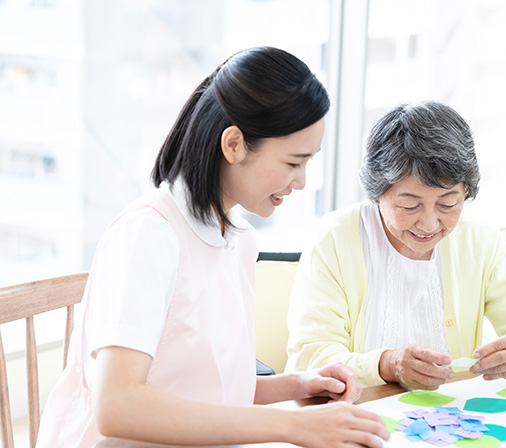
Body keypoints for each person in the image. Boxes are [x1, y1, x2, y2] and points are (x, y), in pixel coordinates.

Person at [36, 47, 389, 448]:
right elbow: (118, 405)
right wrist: (292, 427)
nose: (302, 181)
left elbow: (206, 392)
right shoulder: (148, 235)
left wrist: (298, 385)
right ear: (234, 144)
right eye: (294, 162)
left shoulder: (237, 239)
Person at [285, 100, 506, 390]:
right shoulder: (334, 240)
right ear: (377, 192)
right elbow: (310, 360)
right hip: (355, 417)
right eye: (409, 205)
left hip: (449, 424)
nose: (429, 224)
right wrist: (386, 365)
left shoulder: (479, 242)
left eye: (448, 203)